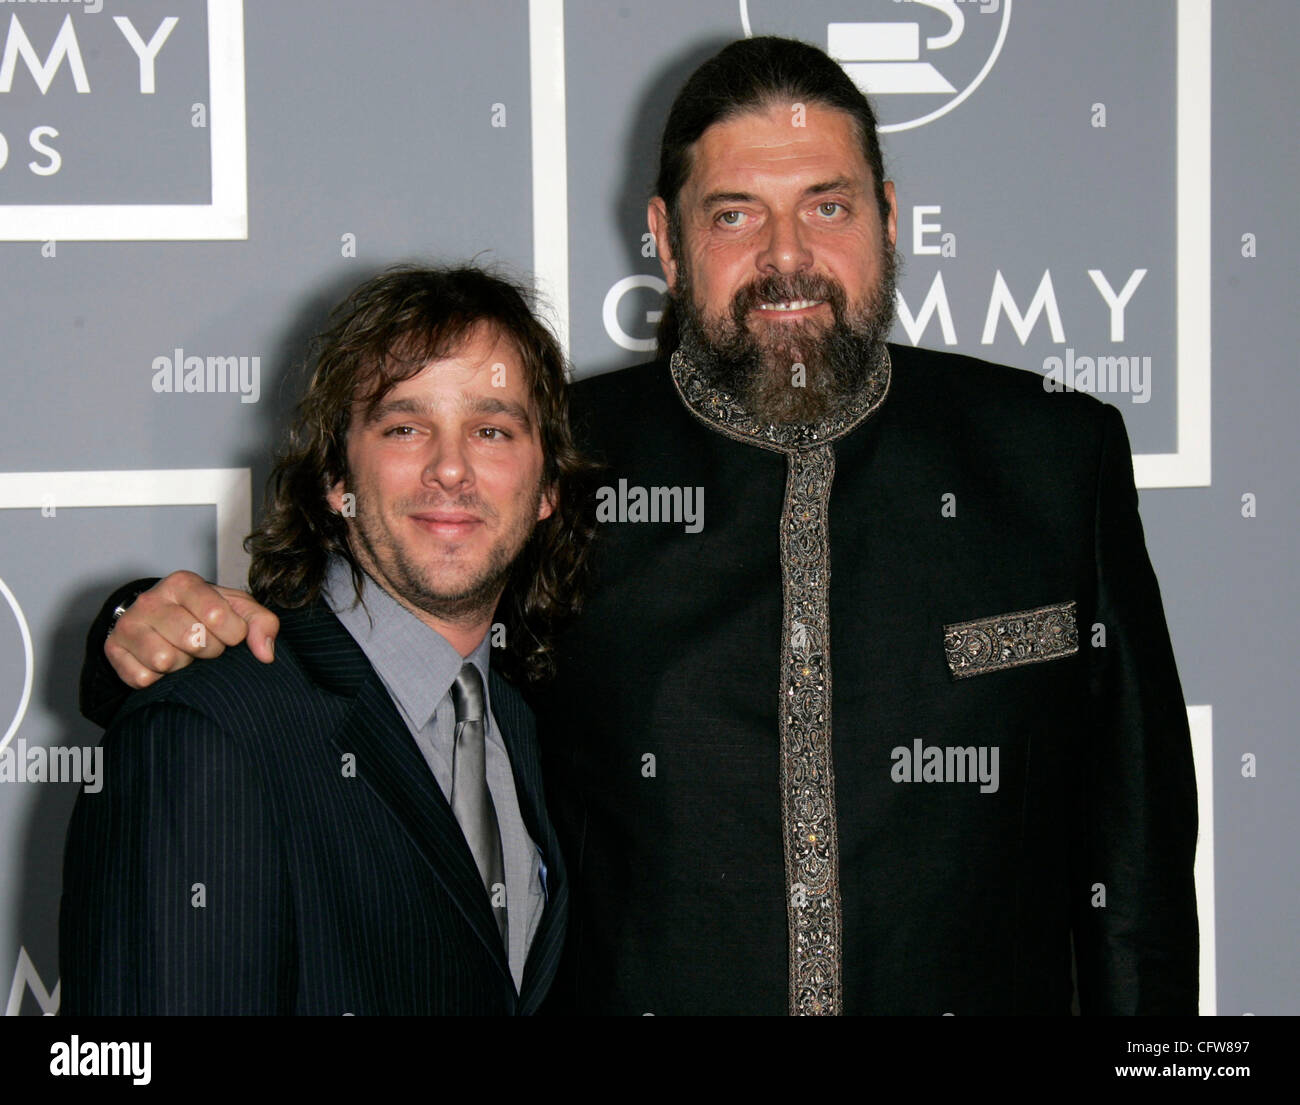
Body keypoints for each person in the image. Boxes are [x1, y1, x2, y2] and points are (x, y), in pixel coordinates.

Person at [76, 37, 1198, 1015]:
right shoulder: (564, 453)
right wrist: (135, 630)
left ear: (891, 220)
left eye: (828, 204)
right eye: (733, 215)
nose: (786, 256)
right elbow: (376, 632)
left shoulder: (1051, 455)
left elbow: (1135, 855)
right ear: (665, 241)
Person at [60, 265, 597, 1014]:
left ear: (546, 490)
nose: (450, 467)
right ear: (335, 479)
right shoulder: (209, 729)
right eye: (405, 426)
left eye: (491, 429)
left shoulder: (526, 730)